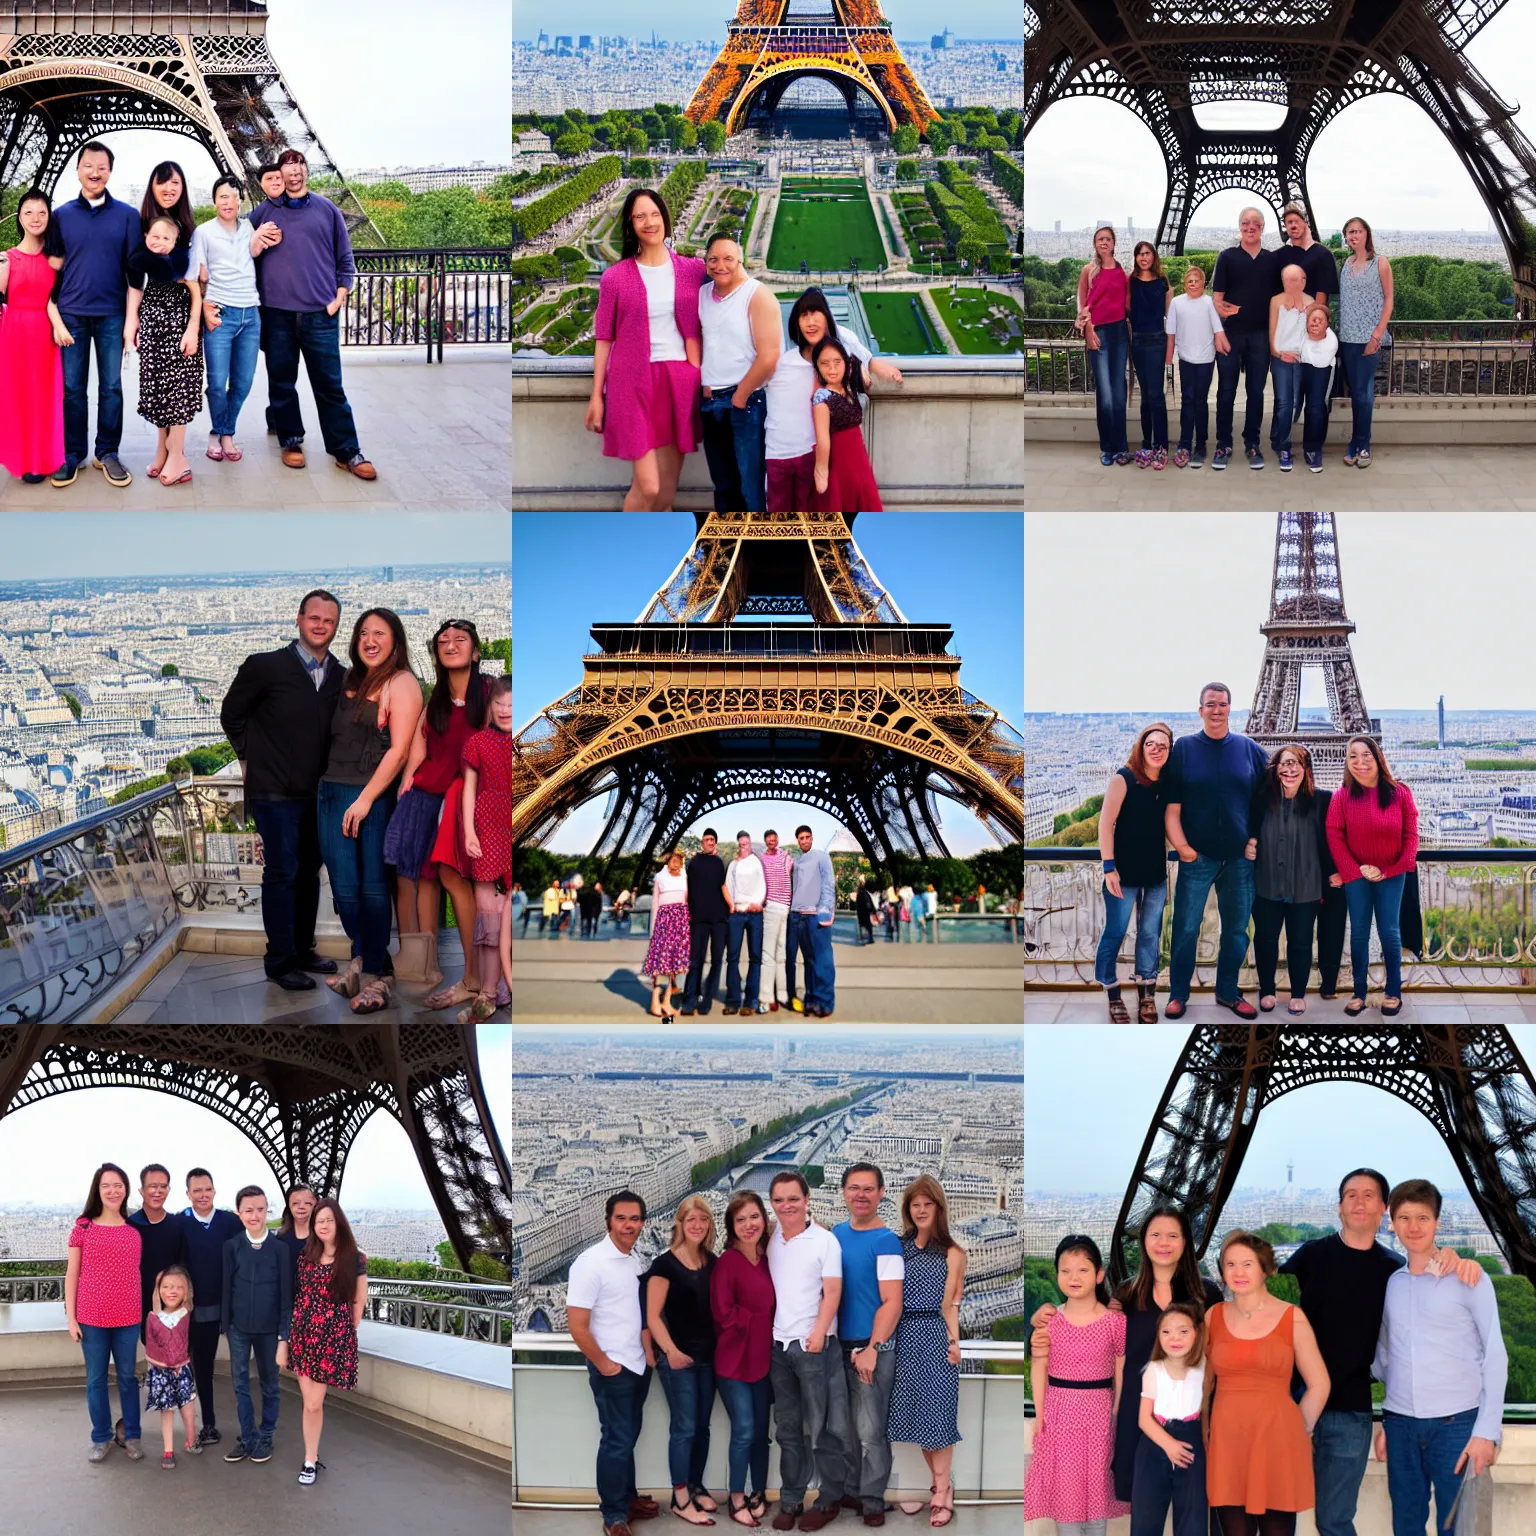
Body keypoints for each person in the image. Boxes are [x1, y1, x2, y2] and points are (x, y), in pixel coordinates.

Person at [1280, 1168, 1484, 1536]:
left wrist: (1454, 1257)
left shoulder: (1394, 1271)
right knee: (1276, 1509)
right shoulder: (1309, 1256)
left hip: (1350, 1409)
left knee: (1333, 1518)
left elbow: (1403, 1344)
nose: (1359, 1201)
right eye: (1351, 1195)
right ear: (1339, 1207)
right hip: (1290, 1401)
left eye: (1369, 1194)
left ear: (1384, 1210)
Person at [1031, 1206, 1224, 1512]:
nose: (1163, 1242)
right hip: (1138, 1417)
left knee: (1191, 1514)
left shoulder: (1208, 1295)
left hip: (1189, 1415)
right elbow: (1086, 1319)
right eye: (1155, 1235)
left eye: (1172, 1235)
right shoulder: (1126, 1294)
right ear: (1143, 1241)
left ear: (1186, 1242)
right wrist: (1044, 1316)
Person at [221, 590, 346, 991]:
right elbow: (231, 714)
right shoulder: (265, 666)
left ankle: (302, 949)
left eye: (329, 620)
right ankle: (279, 961)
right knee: (283, 872)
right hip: (273, 791)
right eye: (314, 618)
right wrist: (246, 758)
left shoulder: (340, 677)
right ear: (298, 619)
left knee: (308, 873)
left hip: (317, 793)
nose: (320, 625)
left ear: (335, 626)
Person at [1373, 1179, 1506, 1536]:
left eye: (1422, 1218)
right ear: (1392, 1222)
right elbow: (1386, 1355)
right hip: (1401, 1424)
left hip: (1458, 1426)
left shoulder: (1470, 1278)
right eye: (1404, 1218)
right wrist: (1391, 1414)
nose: (1413, 1227)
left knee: (1461, 1528)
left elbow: (1495, 1355)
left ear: (1438, 1223)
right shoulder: (1392, 1283)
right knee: (1406, 1526)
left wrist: (1487, 1431)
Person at [318, 607, 423, 1015]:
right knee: (345, 891)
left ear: (396, 641)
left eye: (379, 633)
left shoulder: (401, 682)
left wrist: (365, 800)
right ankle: (365, 960)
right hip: (330, 791)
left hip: (371, 796)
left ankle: (376, 974)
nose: (370, 640)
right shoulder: (347, 680)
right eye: (363, 633)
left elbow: (398, 750)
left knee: (375, 889)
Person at [249, 148, 375, 479]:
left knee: (330, 385)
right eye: (287, 168)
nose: (294, 172)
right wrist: (254, 242)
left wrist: (339, 296)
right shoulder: (262, 213)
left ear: (306, 170)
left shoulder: (328, 210)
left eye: (299, 165)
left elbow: (345, 258)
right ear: (280, 174)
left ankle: (346, 448)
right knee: (282, 382)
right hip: (277, 315)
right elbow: (239, 255)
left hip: (321, 314)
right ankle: (291, 439)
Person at [586, 187, 707, 509]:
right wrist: (597, 395)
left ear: (665, 219)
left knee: (666, 492)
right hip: (631, 384)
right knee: (649, 487)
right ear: (630, 223)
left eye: (654, 214)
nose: (649, 222)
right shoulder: (615, 277)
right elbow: (604, 338)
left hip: (679, 381)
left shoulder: (693, 269)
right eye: (640, 216)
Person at [388, 620, 489, 997]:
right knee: (424, 878)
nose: (450, 645)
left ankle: (474, 972)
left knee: (452, 879)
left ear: (475, 652)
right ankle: (426, 967)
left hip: (464, 796)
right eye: (443, 641)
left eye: (460, 639)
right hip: (429, 794)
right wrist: (407, 781)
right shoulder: (437, 701)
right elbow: (420, 742)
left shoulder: (491, 694)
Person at [1205, 1231, 1329, 1536]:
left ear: (1266, 1268)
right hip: (1227, 1442)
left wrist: (1300, 1428)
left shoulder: (1292, 1317)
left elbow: (1319, 1384)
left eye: (1247, 1264)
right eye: (1230, 1264)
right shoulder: (1213, 1316)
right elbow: (1203, 1386)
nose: (1237, 1272)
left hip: (1277, 1441)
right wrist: (1204, 1434)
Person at [1163, 683, 1269, 1019]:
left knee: (1236, 931)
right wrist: (1182, 847)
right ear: (1200, 710)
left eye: (1222, 704)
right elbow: (1172, 804)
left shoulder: (1250, 749)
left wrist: (1254, 840)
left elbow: (1264, 803)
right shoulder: (1183, 749)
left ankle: (1227, 991)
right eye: (1211, 704)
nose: (1217, 709)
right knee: (1186, 928)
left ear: (1229, 709)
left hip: (1239, 857)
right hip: (1198, 857)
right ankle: (1179, 993)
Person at [1023, 1235, 1129, 1531]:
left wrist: (1117, 1413)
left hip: (1100, 1415)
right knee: (1064, 1494)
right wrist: (1040, 1418)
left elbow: (1121, 1366)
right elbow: (1039, 1368)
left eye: (1083, 1270)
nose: (1073, 1277)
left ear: (1098, 1275)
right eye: (1065, 1270)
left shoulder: (1115, 1321)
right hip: (1059, 1415)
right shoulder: (1049, 1320)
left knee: (1098, 1492)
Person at [51, 140, 139, 489]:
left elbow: (135, 272)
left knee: (112, 386)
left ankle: (107, 451)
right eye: (88, 165)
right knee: (72, 388)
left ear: (110, 171)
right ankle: (74, 453)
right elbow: (52, 270)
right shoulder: (60, 216)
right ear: (78, 169)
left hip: (113, 314)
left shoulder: (128, 216)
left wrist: (132, 319)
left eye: (102, 166)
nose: (95, 172)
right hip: (71, 314)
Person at [764, 289, 901, 511]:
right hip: (793, 454)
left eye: (816, 314)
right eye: (804, 316)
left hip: (840, 456)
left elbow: (861, 356)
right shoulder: (785, 363)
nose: (810, 322)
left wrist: (863, 366)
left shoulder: (840, 345)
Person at [567, 1191, 655, 1536]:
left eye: (634, 1219)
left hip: (635, 1364)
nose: (629, 1225)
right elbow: (577, 1325)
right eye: (622, 1218)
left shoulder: (633, 1261)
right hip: (614, 1367)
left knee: (625, 1437)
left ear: (643, 1223)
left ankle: (627, 1499)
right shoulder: (590, 1263)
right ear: (608, 1221)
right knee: (617, 1439)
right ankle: (614, 1515)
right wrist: (603, 1364)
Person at [766, 1170, 848, 1533]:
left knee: (822, 1428)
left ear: (806, 1199)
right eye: (780, 1200)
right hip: (779, 1346)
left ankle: (828, 1498)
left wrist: (817, 1334)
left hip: (812, 1345)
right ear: (773, 1204)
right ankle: (791, 1498)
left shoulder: (825, 1241)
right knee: (787, 1429)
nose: (787, 1206)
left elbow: (833, 1292)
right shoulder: (772, 1240)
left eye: (793, 1199)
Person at [888, 1176, 965, 1529]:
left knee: (939, 1417)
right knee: (921, 1418)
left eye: (927, 1204)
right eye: (915, 1204)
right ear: (908, 1209)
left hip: (936, 1335)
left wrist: (954, 1342)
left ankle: (941, 1489)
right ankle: (940, 1487)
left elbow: (952, 1305)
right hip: (905, 1335)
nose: (920, 1210)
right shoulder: (898, 1248)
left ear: (938, 1208)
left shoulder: (954, 1253)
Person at [1244, 744, 1342, 1014]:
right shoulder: (1262, 800)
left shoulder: (1323, 800)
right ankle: (1267, 990)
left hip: (1306, 884)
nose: (1290, 769)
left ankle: (1297, 992)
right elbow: (1246, 824)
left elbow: (1333, 839)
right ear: (1275, 770)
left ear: (1306, 769)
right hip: (1267, 882)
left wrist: (1336, 869)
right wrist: (1250, 841)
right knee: (1265, 939)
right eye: (1285, 764)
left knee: (1300, 941)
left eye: (1296, 764)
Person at [833, 1164, 905, 1526]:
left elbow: (892, 1302)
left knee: (871, 1429)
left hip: (871, 1345)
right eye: (854, 1188)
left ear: (880, 1193)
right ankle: (853, 1488)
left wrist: (874, 1348)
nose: (861, 1195)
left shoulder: (886, 1241)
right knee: (846, 1427)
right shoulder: (834, 1235)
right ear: (843, 1191)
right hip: (838, 1345)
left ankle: (872, 1497)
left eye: (868, 1189)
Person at [1326, 735, 1418, 1016]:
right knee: (1359, 933)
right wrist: (1354, 870)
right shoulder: (1341, 795)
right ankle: (1359, 992)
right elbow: (1334, 833)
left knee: (1390, 932)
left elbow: (1411, 836)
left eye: (1366, 754)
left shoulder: (1400, 792)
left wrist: (1389, 870)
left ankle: (1393, 991)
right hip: (1357, 875)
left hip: (1391, 874)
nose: (1360, 761)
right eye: (1353, 756)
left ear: (1377, 757)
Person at [644, 1195, 720, 1525]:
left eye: (703, 1220)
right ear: (680, 1223)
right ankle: (680, 1496)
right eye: (692, 1220)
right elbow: (653, 1315)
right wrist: (670, 1352)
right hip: (678, 1358)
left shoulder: (711, 1261)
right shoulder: (664, 1265)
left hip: (708, 1356)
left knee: (701, 1427)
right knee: (685, 1427)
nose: (698, 1226)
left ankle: (695, 1483)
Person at [127, 164, 202, 485]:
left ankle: (178, 452)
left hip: (181, 317)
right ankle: (163, 447)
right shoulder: (141, 226)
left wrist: (194, 326)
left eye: (176, 183)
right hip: (153, 319)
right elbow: (134, 282)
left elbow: (197, 283)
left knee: (179, 385)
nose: (169, 188)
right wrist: (132, 320)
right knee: (157, 384)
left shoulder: (189, 230)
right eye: (163, 183)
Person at [66, 1162, 144, 1462]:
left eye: (119, 1185)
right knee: (96, 1379)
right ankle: (101, 1436)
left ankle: (132, 1434)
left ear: (125, 1190)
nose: (113, 1191)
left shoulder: (133, 1231)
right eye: (107, 1185)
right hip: (91, 1318)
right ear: (97, 1190)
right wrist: (71, 1318)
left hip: (127, 1318)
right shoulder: (83, 1228)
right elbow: (72, 1274)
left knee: (128, 1378)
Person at [288, 1197, 368, 1487]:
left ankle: (310, 1460)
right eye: (318, 1220)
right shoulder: (306, 1256)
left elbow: (359, 1300)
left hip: (331, 1338)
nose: (323, 1225)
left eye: (328, 1220)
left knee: (312, 1403)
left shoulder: (354, 1258)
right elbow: (299, 1296)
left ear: (339, 1223)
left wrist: (344, 1331)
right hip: (303, 1334)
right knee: (310, 1403)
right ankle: (310, 1457)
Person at [698, 233, 781, 512]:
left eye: (728, 259)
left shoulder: (758, 295)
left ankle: (756, 551)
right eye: (713, 259)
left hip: (744, 403)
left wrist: (740, 397)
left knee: (751, 489)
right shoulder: (702, 295)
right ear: (706, 262)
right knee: (724, 489)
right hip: (711, 405)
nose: (720, 265)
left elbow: (769, 357)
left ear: (740, 259)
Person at [1096, 721, 1172, 1022]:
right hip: (1123, 874)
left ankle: (1146, 992)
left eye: (1163, 745)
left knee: (1150, 935)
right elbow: (1105, 824)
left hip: (1155, 874)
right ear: (1141, 747)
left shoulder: (1168, 783)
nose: (1157, 749)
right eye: (1151, 743)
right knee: (1115, 932)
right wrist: (1109, 867)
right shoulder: (1122, 779)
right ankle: (1112, 989)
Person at [712, 1192, 777, 1528]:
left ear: (764, 1220)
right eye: (741, 1220)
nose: (749, 1225)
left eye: (754, 1217)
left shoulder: (768, 1259)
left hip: (762, 1356)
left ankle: (759, 1492)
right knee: (745, 1430)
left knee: (761, 1432)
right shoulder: (727, 1263)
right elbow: (723, 1313)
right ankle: (736, 1495)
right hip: (735, 1359)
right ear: (731, 1227)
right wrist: (761, 1320)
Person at [0, 188, 70, 483]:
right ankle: (23, 458)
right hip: (15, 333)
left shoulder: (56, 259)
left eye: (42, 212)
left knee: (46, 397)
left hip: (46, 333)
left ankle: (46, 457)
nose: (35, 218)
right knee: (18, 397)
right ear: (19, 217)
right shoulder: (6, 259)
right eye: (28, 212)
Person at [221, 1185, 294, 1466]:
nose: (255, 1215)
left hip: (269, 1329)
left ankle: (266, 1435)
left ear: (267, 1211)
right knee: (240, 1384)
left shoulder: (280, 1249)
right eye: (249, 1210)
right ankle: (248, 1436)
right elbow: (226, 1287)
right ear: (239, 1213)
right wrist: (227, 1326)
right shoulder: (232, 1247)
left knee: (270, 1384)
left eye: (261, 1209)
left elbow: (286, 1294)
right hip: (239, 1328)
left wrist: (283, 1335)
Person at [193, 172, 262, 462]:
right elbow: (196, 275)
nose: (229, 201)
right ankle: (225, 435)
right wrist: (204, 308)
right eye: (223, 196)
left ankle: (222, 430)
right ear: (214, 201)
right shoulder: (204, 232)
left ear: (241, 200)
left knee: (243, 382)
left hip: (251, 314)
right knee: (218, 382)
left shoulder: (251, 228)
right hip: (220, 312)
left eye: (234, 196)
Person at [457, 675, 513, 1018]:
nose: (506, 710)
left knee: (505, 918)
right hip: (488, 829)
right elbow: (468, 789)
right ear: (489, 707)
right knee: (490, 921)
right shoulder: (477, 743)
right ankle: (490, 990)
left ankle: (503, 986)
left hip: (515, 823)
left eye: (511, 704)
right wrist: (469, 832)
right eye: (499, 703)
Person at [1211, 207, 1282, 471]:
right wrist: (1221, 328)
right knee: (1226, 392)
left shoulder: (1272, 261)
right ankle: (1223, 443)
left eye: (1255, 223)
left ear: (1263, 227)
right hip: (1231, 334)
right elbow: (1216, 300)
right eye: (1245, 222)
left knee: (1256, 393)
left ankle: (1252, 442)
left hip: (1261, 335)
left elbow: (1278, 301)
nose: (1250, 227)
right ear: (1239, 227)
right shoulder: (1227, 257)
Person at [1130, 1302, 1206, 1536]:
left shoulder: (1205, 1367)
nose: (1175, 1338)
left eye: (1183, 1331)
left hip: (1192, 1442)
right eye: (1166, 1331)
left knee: (1193, 1520)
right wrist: (1169, 1445)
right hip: (1156, 1442)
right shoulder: (1153, 1369)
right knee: (1146, 1518)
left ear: (1197, 1333)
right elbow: (1144, 1418)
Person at [179, 1168, 243, 1447]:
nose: (203, 1195)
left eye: (207, 1189)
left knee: (239, 1368)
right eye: (197, 1190)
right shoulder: (179, 1224)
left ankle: (251, 1427)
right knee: (201, 1367)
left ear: (215, 1191)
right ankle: (208, 1424)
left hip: (231, 1304)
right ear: (188, 1194)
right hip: (196, 1307)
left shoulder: (231, 1221)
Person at [1337, 216, 1394, 469]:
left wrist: (1377, 335)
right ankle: (1359, 443)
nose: (1353, 236)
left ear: (1366, 234)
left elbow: (1389, 299)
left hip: (1369, 338)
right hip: (1348, 338)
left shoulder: (1380, 263)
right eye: (1349, 232)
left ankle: (1361, 444)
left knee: (1363, 394)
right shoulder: (1346, 264)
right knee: (1359, 393)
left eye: (1358, 231)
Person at [1074, 225, 1130, 466]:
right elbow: (1082, 305)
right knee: (1105, 395)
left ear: (1114, 243)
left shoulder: (1123, 273)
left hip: (1119, 334)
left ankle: (1120, 446)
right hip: (1098, 333)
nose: (1104, 242)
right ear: (1095, 243)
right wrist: (1088, 330)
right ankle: (1107, 447)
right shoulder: (1088, 271)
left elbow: (1128, 306)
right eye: (1100, 239)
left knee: (1118, 395)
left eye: (1108, 239)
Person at [1164, 264, 1228, 469]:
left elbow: (1218, 329)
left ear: (1203, 283)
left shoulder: (1208, 302)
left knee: (1200, 401)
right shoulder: (1176, 303)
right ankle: (1184, 443)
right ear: (1184, 284)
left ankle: (1200, 445)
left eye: (1196, 280)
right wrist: (1168, 361)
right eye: (1189, 280)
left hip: (1206, 359)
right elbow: (1171, 333)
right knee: (1187, 400)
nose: (1193, 283)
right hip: (1185, 359)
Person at [809, 336, 881, 511]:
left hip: (859, 463)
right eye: (825, 363)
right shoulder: (822, 398)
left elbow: (863, 373)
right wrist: (821, 473)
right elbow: (823, 440)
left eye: (837, 362)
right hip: (840, 467)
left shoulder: (848, 389)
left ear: (846, 364)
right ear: (817, 366)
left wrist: (860, 366)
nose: (832, 369)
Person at [143, 1264, 199, 1470]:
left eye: (177, 1287)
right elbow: (152, 1342)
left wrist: (155, 1318)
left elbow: (173, 1340)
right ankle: (168, 1450)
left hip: (181, 1369)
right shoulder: (153, 1317)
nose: (172, 1291)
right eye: (166, 1287)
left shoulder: (185, 1313)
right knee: (166, 1410)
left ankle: (191, 1439)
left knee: (188, 1405)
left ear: (186, 1291)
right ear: (158, 1291)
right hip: (161, 1372)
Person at [128, 1163, 188, 1346]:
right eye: (153, 1186)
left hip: (173, 1303)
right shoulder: (130, 1227)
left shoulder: (177, 1225)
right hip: (139, 1304)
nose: (158, 1191)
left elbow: (183, 1265)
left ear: (169, 1189)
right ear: (141, 1190)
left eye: (163, 1186)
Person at [1127, 242, 1172, 469]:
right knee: (1145, 395)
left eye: (1147, 253)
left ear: (1154, 256)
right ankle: (1148, 444)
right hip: (1138, 342)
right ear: (1135, 257)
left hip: (1156, 340)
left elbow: (1170, 315)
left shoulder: (1163, 283)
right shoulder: (1130, 282)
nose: (1143, 258)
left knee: (1156, 395)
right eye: (1139, 254)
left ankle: (1161, 446)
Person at [680, 829, 731, 1017]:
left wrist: (732, 907)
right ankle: (690, 999)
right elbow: (687, 889)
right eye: (706, 839)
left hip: (719, 919)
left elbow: (725, 887)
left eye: (712, 840)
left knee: (716, 961)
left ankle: (707, 1000)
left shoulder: (720, 863)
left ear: (715, 843)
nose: (709, 842)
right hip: (699, 920)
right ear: (702, 842)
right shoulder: (694, 863)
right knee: (696, 961)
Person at [1267, 263, 1313, 473]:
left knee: (1294, 403)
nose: (1291, 283)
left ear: (1303, 281)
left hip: (1301, 358)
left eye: (1295, 279)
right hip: (1282, 356)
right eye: (1287, 279)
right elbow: (1272, 331)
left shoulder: (1310, 302)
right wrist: (1278, 353)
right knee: (1287, 403)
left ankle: (1277, 437)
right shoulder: (1276, 301)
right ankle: (1284, 446)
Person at [788, 825, 836, 1019]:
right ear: (797, 840)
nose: (805, 840)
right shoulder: (797, 861)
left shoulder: (822, 857)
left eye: (807, 837)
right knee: (809, 961)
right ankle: (812, 1000)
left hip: (815, 914)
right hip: (798, 915)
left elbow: (828, 883)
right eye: (801, 838)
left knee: (823, 961)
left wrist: (824, 913)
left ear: (812, 838)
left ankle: (825, 1002)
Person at [644, 849, 691, 1018]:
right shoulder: (660, 877)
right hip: (664, 923)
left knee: (674, 966)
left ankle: (667, 1002)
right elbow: (655, 902)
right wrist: (654, 929)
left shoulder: (685, 878)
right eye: (673, 860)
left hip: (680, 922)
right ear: (667, 861)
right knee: (662, 965)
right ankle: (655, 1001)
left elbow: (687, 901)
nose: (676, 863)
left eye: (679, 860)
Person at [725, 830, 767, 1015]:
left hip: (754, 913)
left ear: (750, 844)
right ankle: (733, 999)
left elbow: (762, 884)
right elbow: (727, 886)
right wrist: (732, 906)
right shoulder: (733, 865)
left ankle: (750, 1000)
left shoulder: (757, 862)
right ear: (738, 844)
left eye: (746, 843)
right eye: (741, 844)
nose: (744, 846)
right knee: (732, 957)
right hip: (737, 914)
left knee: (755, 957)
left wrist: (757, 904)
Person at [1298, 303, 1338, 473]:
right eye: (1312, 320)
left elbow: (1318, 363)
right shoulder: (1300, 335)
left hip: (1322, 370)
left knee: (1315, 406)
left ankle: (1314, 449)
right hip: (1303, 368)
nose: (1315, 323)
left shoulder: (1331, 341)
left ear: (1327, 324)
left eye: (1320, 320)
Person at [1279, 202, 1339, 308]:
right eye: (1289, 222)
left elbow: (1322, 297)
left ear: (1305, 223)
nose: (1293, 225)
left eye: (1297, 221)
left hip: (1311, 319)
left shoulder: (1323, 255)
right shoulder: (1279, 255)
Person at [760, 829, 795, 1011]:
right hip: (771, 907)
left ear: (777, 839)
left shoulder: (786, 857)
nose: (772, 841)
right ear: (766, 841)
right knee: (768, 955)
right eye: (769, 839)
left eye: (774, 838)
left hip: (785, 910)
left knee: (781, 955)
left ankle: (782, 995)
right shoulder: (762, 859)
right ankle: (767, 996)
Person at [273, 1184, 317, 1292]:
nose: (301, 1207)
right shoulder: (280, 1240)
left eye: (307, 1203)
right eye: (296, 1203)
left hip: (316, 1302)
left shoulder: (323, 1238)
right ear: (289, 1207)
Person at [855, 876, 875, 946]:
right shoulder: (866, 894)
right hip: (866, 912)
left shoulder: (860, 894)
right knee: (868, 925)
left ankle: (864, 939)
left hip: (862, 912)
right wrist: (873, 911)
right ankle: (870, 938)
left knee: (863, 925)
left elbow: (857, 904)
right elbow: (871, 903)